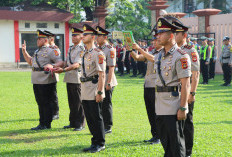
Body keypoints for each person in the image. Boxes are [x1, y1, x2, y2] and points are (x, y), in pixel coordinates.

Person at [153, 17, 191, 157]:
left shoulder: (181, 56)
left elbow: (185, 84)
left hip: (173, 104)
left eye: (161, 33)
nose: (158, 36)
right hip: (160, 103)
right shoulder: (160, 55)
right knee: (165, 141)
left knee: (176, 143)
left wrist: (183, 107)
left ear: (170, 36)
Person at [21, 30, 63, 130]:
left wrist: (52, 66)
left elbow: (60, 62)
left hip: (46, 80)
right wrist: (24, 51)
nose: (37, 40)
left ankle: (46, 124)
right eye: (37, 39)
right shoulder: (37, 51)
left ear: (45, 40)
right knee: (40, 102)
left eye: (39, 39)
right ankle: (42, 123)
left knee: (46, 102)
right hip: (36, 80)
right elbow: (31, 62)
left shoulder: (52, 50)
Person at [173, 19, 200, 157]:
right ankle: (179, 149)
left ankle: (187, 152)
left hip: (187, 90)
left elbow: (195, 74)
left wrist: (192, 93)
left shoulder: (190, 51)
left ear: (184, 35)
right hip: (175, 91)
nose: (174, 36)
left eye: (176, 33)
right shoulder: (173, 50)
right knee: (176, 122)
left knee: (187, 122)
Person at [130, 33, 162, 145]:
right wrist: (130, 49)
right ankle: (154, 135)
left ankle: (159, 136)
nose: (154, 42)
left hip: (156, 86)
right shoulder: (152, 52)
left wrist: (140, 49)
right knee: (150, 111)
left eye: (156, 40)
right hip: (148, 85)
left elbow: (153, 59)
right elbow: (138, 57)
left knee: (157, 112)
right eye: (153, 41)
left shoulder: (162, 53)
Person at [81, 24, 106, 153]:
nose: (82, 36)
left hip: (94, 88)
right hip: (85, 88)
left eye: (85, 34)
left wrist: (100, 92)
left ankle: (100, 143)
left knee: (96, 117)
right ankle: (94, 141)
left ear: (92, 37)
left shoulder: (98, 53)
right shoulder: (85, 53)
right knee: (89, 117)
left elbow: (102, 74)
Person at [54, 28, 86, 131]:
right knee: (71, 101)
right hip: (69, 76)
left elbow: (77, 64)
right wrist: (56, 66)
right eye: (72, 35)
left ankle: (80, 123)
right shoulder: (71, 48)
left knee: (78, 101)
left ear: (81, 37)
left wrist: (63, 70)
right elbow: (66, 61)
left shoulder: (82, 49)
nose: (73, 37)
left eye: (75, 35)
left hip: (77, 77)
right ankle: (72, 122)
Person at [96, 26, 118, 134]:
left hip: (107, 79)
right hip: (99, 79)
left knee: (106, 103)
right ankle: (101, 124)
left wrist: (108, 82)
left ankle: (108, 126)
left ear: (105, 37)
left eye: (99, 36)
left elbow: (111, 67)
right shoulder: (97, 48)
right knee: (99, 103)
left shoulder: (110, 49)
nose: (97, 38)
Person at [44, 30, 60, 120]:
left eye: (48, 38)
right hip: (45, 75)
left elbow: (57, 61)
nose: (46, 39)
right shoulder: (45, 48)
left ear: (52, 39)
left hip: (52, 74)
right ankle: (49, 112)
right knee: (47, 95)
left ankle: (55, 112)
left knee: (53, 95)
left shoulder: (55, 48)